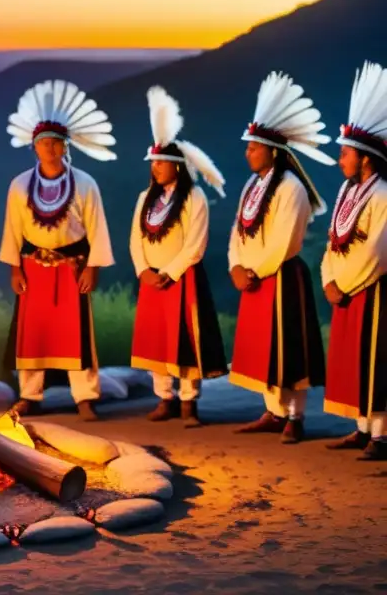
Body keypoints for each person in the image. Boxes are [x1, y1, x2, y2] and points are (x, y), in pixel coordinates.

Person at [0, 80, 116, 421]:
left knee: (77, 334)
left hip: (72, 266)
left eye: (55, 142)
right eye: (43, 142)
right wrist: (15, 268)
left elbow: (97, 227)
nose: (49, 147)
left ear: (66, 146)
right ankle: (30, 395)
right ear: (34, 147)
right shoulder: (20, 185)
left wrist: (93, 267)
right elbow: (12, 229)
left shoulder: (84, 183)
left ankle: (85, 397)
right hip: (33, 266)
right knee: (32, 333)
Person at [228, 71, 333, 444]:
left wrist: (254, 269)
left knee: (290, 348)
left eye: (253, 147)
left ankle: (295, 416)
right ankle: (273, 411)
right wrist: (236, 266)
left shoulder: (291, 188)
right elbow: (238, 231)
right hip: (254, 278)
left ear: (273, 151)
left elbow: (286, 241)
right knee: (263, 349)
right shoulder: (251, 185)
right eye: (248, 147)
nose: (248, 152)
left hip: (283, 276)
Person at [129, 86, 228, 426]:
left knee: (185, 339)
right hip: (151, 278)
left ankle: (189, 402)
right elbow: (135, 239)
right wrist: (144, 270)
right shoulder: (146, 197)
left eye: (161, 163)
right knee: (157, 340)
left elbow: (195, 244)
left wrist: (168, 272)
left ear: (177, 167)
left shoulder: (193, 197)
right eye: (153, 163)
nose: (155, 168)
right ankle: (163, 398)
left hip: (181, 278)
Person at [321, 61, 387, 461]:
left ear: (364, 158)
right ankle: (361, 428)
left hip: (373, 287)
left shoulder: (382, 196)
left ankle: (380, 435)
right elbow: (333, 241)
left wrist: (348, 284)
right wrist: (330, 279)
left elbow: (378, 250)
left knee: (377, 359)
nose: (341, 159)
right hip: (345, 288)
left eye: (345, 153)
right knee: (353, 359)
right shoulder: (347, 192)